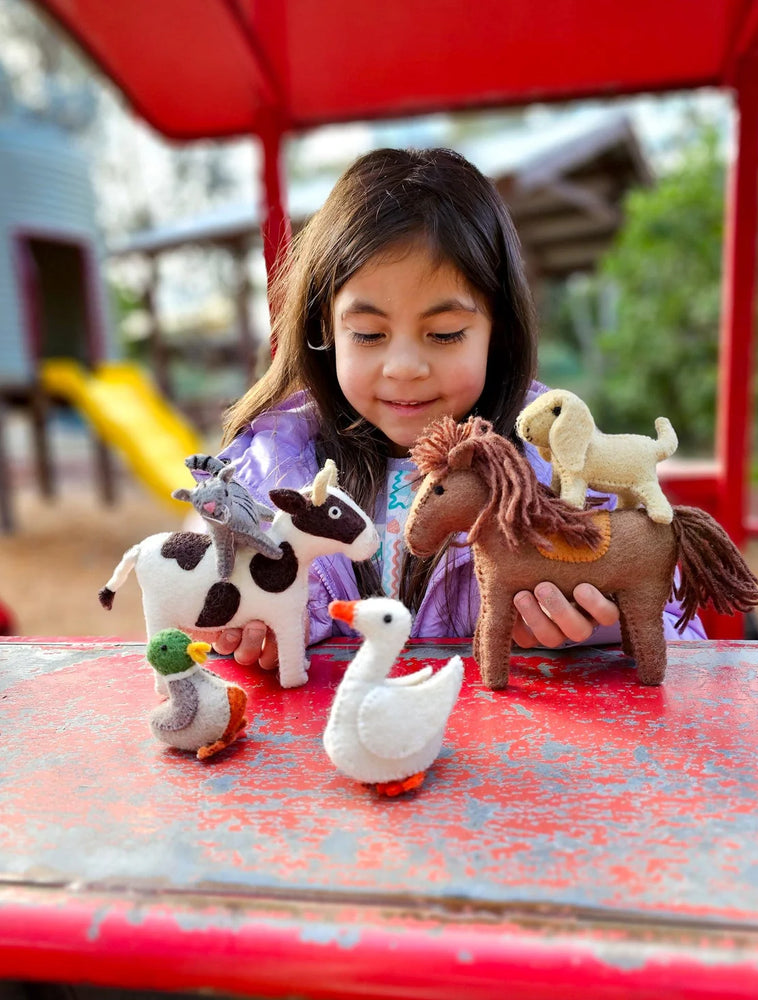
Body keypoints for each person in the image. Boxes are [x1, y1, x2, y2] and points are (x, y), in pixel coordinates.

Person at [213, 147, 705, 668]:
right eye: (368, 333)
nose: (404, 366)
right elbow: (195, 633)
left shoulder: (560, 466)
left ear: (499, 332)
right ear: (325, 330)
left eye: (445, 334)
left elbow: (686, 636)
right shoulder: (259, 474)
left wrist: (606, 632)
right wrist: (240, 632)